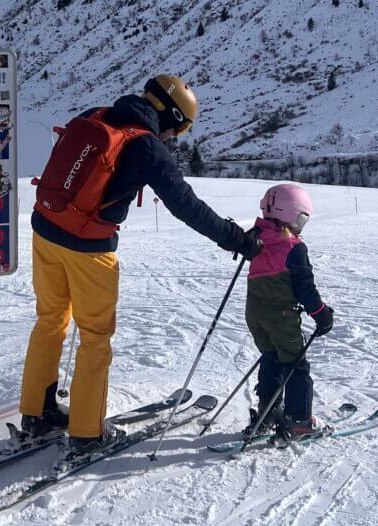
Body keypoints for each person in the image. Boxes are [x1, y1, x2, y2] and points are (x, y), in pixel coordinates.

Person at [19, 74, 262, 454]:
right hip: (89, 248)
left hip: (44, 230)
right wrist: (237, 239)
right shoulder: (146, 147)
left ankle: (37, 412)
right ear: (172, 118)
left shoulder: (97, 114)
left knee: (50, 319)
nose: (174, 138)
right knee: (95, 338)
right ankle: (86, 433)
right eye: (178, 130)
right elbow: (187, 206)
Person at [244, 183, 334, 439]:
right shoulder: (293, 247)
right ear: (291, 214)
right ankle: (299, 420)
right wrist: (321, 313)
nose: (302, 224)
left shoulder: (256, 241)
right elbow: (305, 288)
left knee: (271, 359)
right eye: (302, 218)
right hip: (282, 319)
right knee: (295, 366)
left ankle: (267, 413)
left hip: (255, 317)